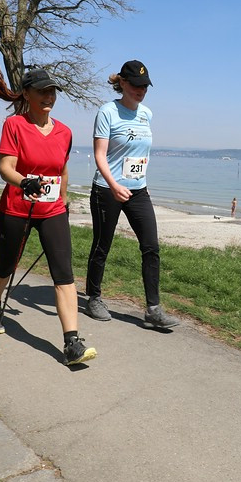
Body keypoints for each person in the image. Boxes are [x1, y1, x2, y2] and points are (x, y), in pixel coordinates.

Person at [0, 62, 94, 367]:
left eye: (52, 91)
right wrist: (24, 181)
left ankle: (72, 342)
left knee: (64, 274)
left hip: (53, 210)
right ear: (27, 95)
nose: (48, 96)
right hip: (17, 208)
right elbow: (6, 168)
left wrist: (65, 202)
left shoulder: (65, 132)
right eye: (42, 91)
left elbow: (63, 170)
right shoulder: (15, 126)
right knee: (6, 266)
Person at [83, 60, 179, 328]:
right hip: (107, 189)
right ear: (122, 83)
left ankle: (153, 309)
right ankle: (93, 298)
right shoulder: (107, 112)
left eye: (145, 86)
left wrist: (135, 179)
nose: (141, 90)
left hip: (138, 190)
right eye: (136, 85)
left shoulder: (147, 114)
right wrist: (114, 184)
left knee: (151, 247)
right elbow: (99, 155)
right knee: (102, 245)